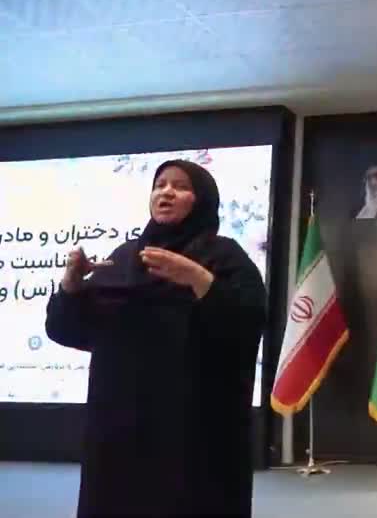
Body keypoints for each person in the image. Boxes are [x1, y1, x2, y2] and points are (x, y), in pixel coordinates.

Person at [45, 160, 267, 517]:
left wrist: (198, 279)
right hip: (119, 425)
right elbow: (68, 330)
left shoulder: (225, 257)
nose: (166, 192)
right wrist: (71, 285)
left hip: (193, 428)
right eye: (160, 184)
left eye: (180, 186)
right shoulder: (125, 257)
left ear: (202, 199)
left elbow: (247, 323)